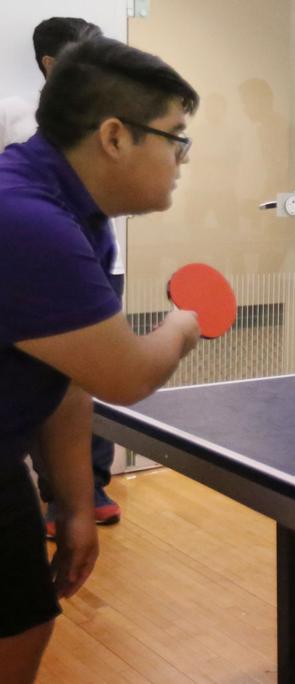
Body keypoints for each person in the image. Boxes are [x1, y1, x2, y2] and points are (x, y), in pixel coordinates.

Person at [0, 37, 202, 681]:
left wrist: (77, 505)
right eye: (176, 138)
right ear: (115, 136)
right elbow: (125, 373)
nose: (181, 159)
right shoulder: (26, 219)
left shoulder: (76, 214)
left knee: (26, 621)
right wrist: (183, 322)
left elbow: (72, 373)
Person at [0, 17, 128, 537]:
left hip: (99, 267)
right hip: (33, 272)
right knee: (42, 382)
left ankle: (90, 486)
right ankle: (40, 490)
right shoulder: (12, 114)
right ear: (52, 64)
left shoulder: (110, 115)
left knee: (87, 378)